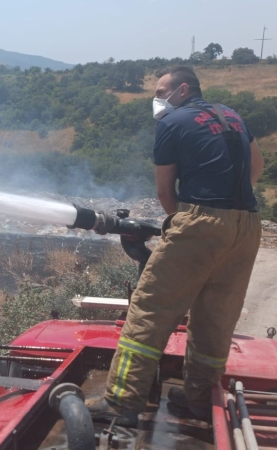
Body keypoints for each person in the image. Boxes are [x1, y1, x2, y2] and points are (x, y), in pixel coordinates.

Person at [86, 65, 265, 426]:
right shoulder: (231, 115)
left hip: (201, 222)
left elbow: (165, 191)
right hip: (247, 225)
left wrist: (185, 221)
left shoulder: (171, 123)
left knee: (150, 309)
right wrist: (228, 202)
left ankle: (122, 402)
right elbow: (256, 166)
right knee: (216, 317)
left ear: (183, 90)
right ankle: (199, 399)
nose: (156, 99)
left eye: (160, 91)